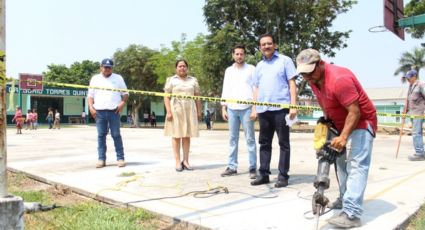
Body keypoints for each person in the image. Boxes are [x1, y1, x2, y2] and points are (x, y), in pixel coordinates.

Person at [296, 48, 377, 228]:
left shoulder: (339, 79)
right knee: (339, 164)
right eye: (303, 74)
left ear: (321, 64)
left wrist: (343, 137)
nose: (306, 77)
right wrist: (326, 122)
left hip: (362, 122)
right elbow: (327, 103)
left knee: (356, 165)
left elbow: (355, 112)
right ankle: (343, 199)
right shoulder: (313, 79)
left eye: (309, 72)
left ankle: (352, 213)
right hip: (339, 123)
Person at [250, 34, 297, 188]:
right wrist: (255, 108)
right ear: (260, 47)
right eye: (263, 44)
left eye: (269, 43)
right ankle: (263, 174)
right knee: (264, 143)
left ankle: (283, 176)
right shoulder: (259, 66)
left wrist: (293, 105)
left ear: (275, 45)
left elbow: (292, 84)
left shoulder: (285, 60)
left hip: (281, 109)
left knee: (284, 143)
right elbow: (256, 88)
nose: (266, 46)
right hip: (264, 110)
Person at [220, 44, 257, 179]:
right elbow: (226, 88)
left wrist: (254, 108)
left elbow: (255, 88)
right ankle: (231, 166)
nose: (239, 56)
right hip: (231, 109)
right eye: (237, 54)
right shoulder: (228, 70)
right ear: (233, 55)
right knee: (232, 139)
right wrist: (223, 107)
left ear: (244, 55)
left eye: (241, 54)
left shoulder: (251, 69)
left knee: (250, 139)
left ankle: (253, 167)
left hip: (247, 109)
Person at [88, 58, 129, 168]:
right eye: (105, 67)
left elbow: (125, 94)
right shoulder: (95, 79)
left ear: (112, 68)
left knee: (116, 135)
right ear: (101, 67)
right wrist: (91, 108)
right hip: (99, 112)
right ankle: (101, 159)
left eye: (109, 67)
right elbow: (90, 96)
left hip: (114, 111)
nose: (107, 69)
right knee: (101, 136)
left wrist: (122, 104)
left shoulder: (118, 78)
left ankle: (120, 158)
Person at [164, 59, 201, 172]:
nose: (182, 68)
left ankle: (186, 161)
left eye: (184, 66)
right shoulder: (171, 80)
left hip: (190, 110)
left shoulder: (193, 80)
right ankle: (177, 162)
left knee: (186, 135)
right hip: (176, 109)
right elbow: (166, 96)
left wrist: (199, 111)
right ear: (176, 68)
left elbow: (197, 96)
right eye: (180, 66)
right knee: (176, 135)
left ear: (187, 68)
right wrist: (168, 111)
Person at [403, 70, 425, 161]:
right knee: (416, 133)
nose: (407, 80)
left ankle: (420, 153)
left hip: (419, 113)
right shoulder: (410, 86)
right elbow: (409, 100)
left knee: (416, 133)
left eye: (409, 78)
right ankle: (421, 152)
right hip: (413, 114)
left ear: (414, 76)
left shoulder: (421, 84)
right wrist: (405, 111)